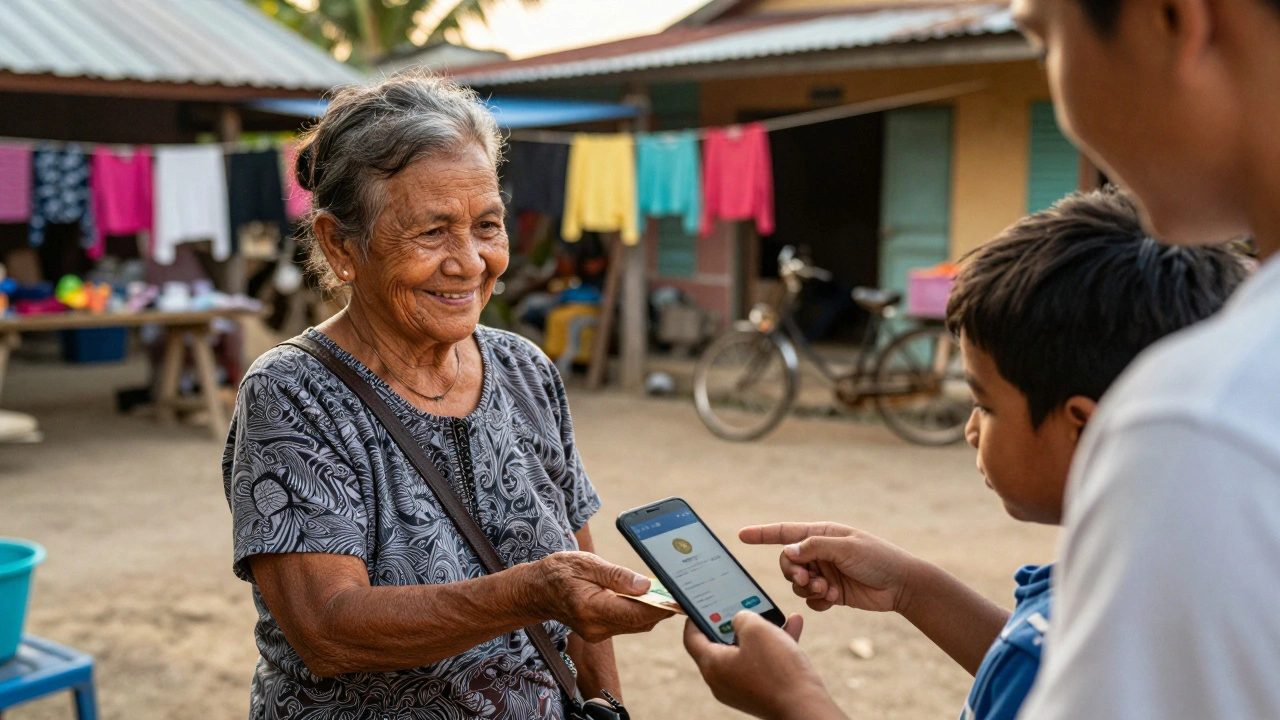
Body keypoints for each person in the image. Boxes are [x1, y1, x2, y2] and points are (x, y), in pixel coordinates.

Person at [684, 0, 1280, 711]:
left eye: (1044, 39)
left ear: (1175, 19)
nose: (1063, 104)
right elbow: (1074, 671)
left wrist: (797, 702)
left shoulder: (1198, 418)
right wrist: (911, 585)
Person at [685, 189, 1247, 720]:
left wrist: (795, 701)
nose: (970, 430)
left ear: (1083, 429)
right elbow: (1041, 674)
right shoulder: (1180, 579)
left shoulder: (1074, 637)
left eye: (986, 404)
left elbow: (1037, 669)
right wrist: (910, 586)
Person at [222, 72, 671, 720]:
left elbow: (581, 588)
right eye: (432, 233)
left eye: (487, 225)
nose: (470, 261)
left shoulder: (524, 369)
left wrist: (607, 705)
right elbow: (327, 628)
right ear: (338, 245)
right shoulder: (293, 395)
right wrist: (528, 594)